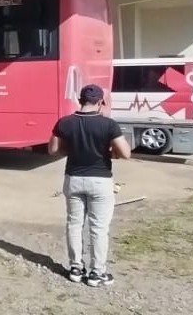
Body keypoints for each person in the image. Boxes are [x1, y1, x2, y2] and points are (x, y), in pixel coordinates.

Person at [48, 83, 131, 287]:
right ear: (101, 102)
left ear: (80, 100)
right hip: (100, 180)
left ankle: (76, 268)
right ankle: (97, 273)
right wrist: (110, 152)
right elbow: (126, 153)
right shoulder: (109, 124)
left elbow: (53, 150)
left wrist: (72, 150)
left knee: (74, 224)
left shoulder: (64, 122)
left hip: (73, 179)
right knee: (99, 228)